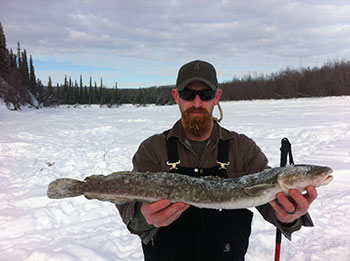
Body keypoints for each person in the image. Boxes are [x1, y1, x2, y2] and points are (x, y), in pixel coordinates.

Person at [116, 60, 316, 261]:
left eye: (205, 95)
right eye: (187, 94)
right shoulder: (153, 149)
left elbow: (270, 204)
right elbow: (128, 205)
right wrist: (144, 217)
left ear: (217, 97)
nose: (196, 103)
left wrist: (289, 216)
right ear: (176, 96)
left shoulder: (242, 148)